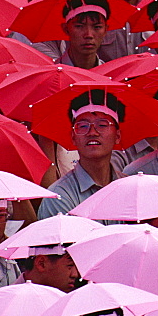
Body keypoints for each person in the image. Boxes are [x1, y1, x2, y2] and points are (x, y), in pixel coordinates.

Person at [39, 89, 124, 219]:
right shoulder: (59, 195)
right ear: (73, 137)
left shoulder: (128, 186)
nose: (92, 132)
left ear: (117, 136)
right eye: (83, 126)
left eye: (102, 125)